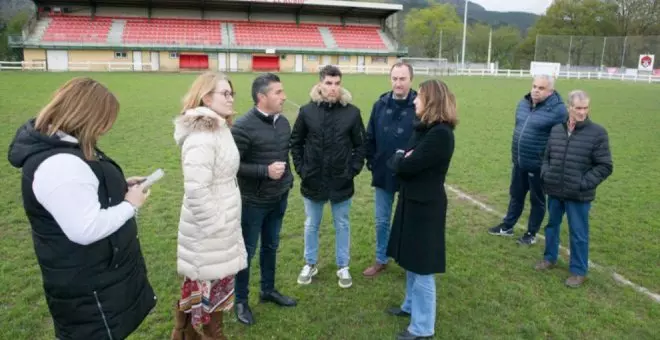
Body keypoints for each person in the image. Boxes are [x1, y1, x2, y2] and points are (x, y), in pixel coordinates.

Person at [7, 77, 156, 340]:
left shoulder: (65, 147)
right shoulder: (59, 165)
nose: (106, 129)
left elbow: (83, 191)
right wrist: (130, 205)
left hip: (97, 276)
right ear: (86, 116)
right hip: (88, 286)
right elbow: (85, 229)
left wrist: (119, 187)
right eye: (104, 121)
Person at [172, 72, 248, 340]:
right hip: (209, 229)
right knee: (204, 288)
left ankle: (186, 332)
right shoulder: (202, 134)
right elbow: (196, 189)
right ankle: (204, 334)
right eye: (224, 93)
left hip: (221, 224)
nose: (231, 98)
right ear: (206, 97)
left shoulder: (218, 127)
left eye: (231, 93)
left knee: (205, 285)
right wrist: (216, 224)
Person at [385, 79, 458, 340]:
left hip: (426, 206)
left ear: (432, 101)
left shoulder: (440, 134)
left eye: (420, 97)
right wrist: (402, 158)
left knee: (423, 266)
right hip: (412, 200)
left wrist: (402, 159)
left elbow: (404, 164)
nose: (415, 100)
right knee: (410, 260)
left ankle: (423, 327)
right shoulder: (424, 128)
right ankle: (409, 306)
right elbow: (402, 158)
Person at [290, 64, 366, 288]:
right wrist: (302, 170)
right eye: (328, 83)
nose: (333, 88)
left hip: (341, 181)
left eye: (337, 84)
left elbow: (361, 146)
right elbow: (296, 143)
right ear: (320, 84)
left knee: (342, 224)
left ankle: (343, 266)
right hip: (313, 179)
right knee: (311, 224)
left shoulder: (352, 113)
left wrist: (352, 170)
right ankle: (310, 263)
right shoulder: (307, 112)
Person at [230, 73, 297, 326]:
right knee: (246, 251)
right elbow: (233, 166)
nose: (284, 96)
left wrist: (287, 181)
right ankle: (240, 300)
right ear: (262, 97)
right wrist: (264, 172)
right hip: (252, 202)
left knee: (271, 246)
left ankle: (268, 290)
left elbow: (285, 156)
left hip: (278, 198)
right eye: (278, 92)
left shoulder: (283, 123)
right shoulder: (243, 126)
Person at [535, 90, 613, 288]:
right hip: (554, 190)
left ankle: (579, 271)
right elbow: (546, 156)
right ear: (569, 107)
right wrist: (546, 173)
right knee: (552, 226)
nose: (582, 112)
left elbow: (605, 165)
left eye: (585, 108)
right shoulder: (556, 130)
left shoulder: (598, 133)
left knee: (578, 233)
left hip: (578, 194)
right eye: (578, 108)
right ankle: (549, 258)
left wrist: (583, 183)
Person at [488, 74, 568, 245]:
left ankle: (531, 233)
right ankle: (507, 226)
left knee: (536, 200)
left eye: (541, 88)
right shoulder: (523, 104)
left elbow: (562, 139)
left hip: (538, 165)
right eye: (534, 86)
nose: (535, 91)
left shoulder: (559, 111)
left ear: (551, 91)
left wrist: (550, 162)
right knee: (516, 194)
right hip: (519, 160)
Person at [363, 62, 417, 277]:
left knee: (408, 219)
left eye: (402, 79)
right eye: (394, 78)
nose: (398, 83)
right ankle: (381, 258)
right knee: (382, 220)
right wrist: (372, 161)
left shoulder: (420, 105)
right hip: (383, 171)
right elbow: (370, 136)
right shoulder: (380, 104)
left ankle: (408, 260)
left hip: (410, 174)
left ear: (411, 80)